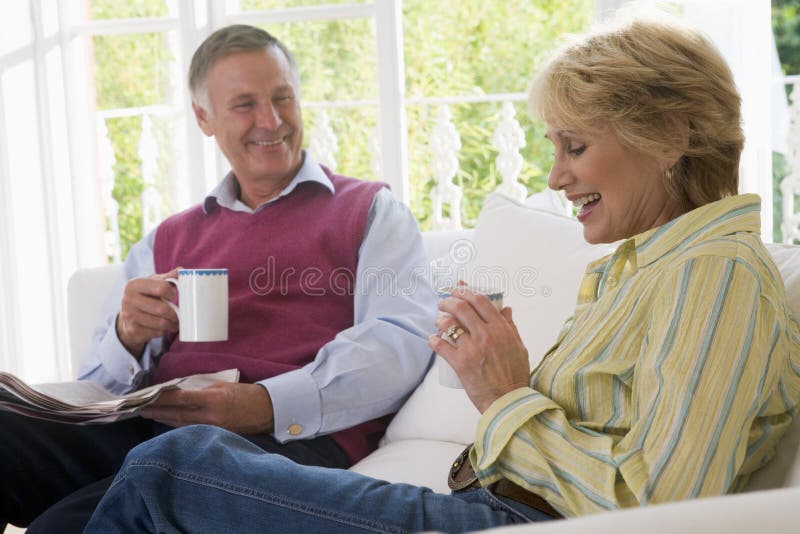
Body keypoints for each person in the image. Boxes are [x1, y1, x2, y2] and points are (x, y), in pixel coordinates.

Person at [85, 13, 800, 533]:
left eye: (575, 146)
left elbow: (661, 506)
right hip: (491, 504)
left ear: (669, 136)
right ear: (205, 119)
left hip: (509, 520)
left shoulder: (717, 274)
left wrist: (506, 395)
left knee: (172, 467)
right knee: (151, 469)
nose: (556, 176)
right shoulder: (649, 266)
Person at [0, 25, 437, 533]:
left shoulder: (370, 212)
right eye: (245, 104)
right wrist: (127, 335)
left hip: (280, 442)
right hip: (157, 428)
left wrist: (267, 404)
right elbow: (95, 389)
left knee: (63, 525)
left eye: (282, 98)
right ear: (203, 117)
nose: (270, 120)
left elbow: (399, 343)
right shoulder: (168, 237)